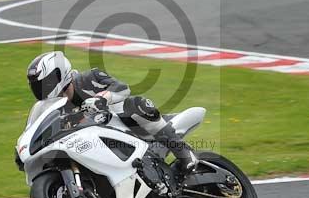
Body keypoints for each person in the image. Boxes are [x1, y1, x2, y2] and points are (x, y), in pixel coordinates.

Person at [26, 51, 198, 176]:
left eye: (45, 83)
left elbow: (122, 88)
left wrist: (102, 98)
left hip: (126, 126)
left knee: (136, 104)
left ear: (59, 75)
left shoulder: (90, 77)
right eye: (37, 85)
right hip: (95, 145)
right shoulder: (54, 109)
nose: (42, 89)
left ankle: (183, 153)